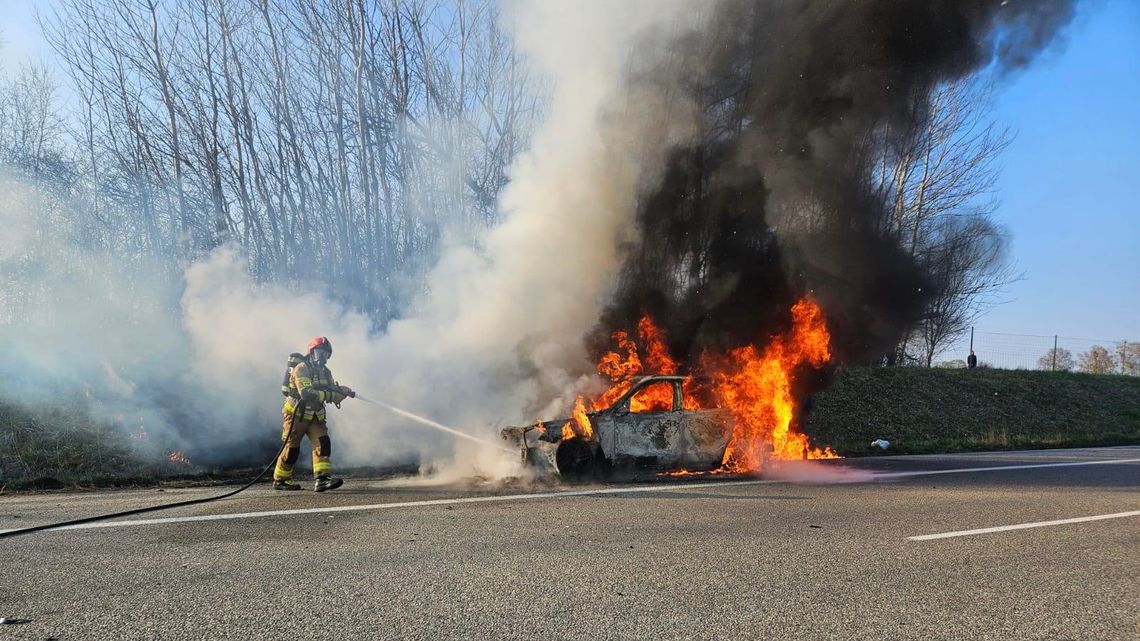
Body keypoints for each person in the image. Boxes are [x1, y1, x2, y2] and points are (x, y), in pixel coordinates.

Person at [275, 336, 355, 492]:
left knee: (323, 444)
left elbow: (331, 390)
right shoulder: (302, 368)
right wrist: (331, 395)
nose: (322, 356)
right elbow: (306, 393)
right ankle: (281, 480)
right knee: (291, 449)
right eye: (319, 352)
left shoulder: (326, 372)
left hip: (315, 416)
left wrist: (342, 391)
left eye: (326, 353)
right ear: (311, 352)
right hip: (296, 415)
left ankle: (322, 479)